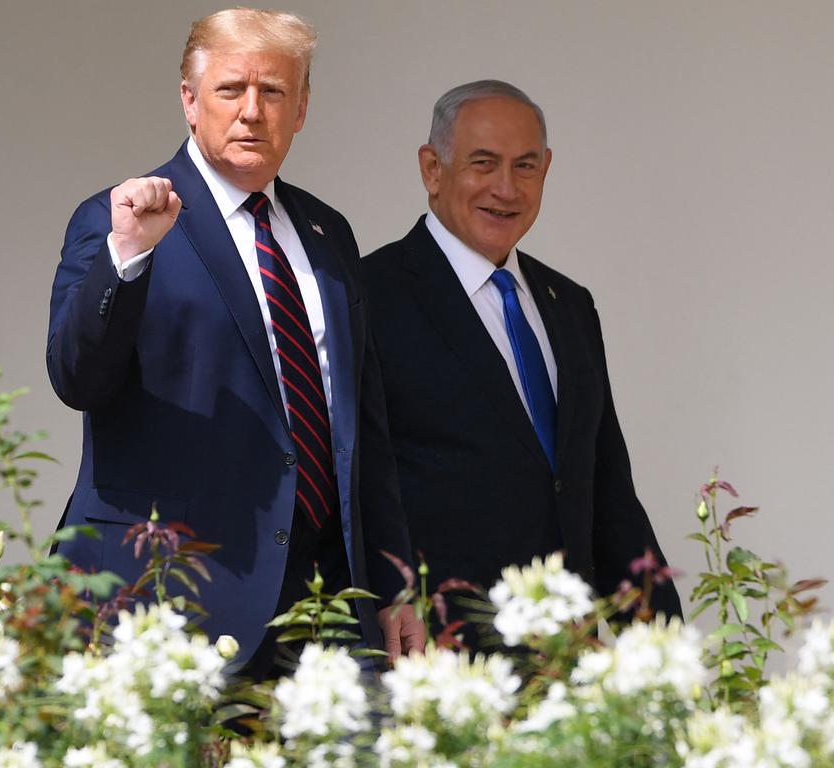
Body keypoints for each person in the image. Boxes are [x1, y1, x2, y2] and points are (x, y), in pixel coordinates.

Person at [46, 8, 423, 677]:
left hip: (327, 610)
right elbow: (78, 379)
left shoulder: (326, 234)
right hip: (171, 605)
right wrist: (127, 258)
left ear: (301, 108)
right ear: (190, 101)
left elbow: (365, 428)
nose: (252, 111)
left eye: (273, 91)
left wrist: (394, 584)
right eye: (231, 90)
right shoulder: (123, 219)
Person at [361, 80, 681, 639]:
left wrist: (662, 645)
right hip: (440, 655)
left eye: (525, 167)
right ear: (432, 168)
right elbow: (357, 486)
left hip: (565, 655)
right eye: (483, 164)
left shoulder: (571, 305)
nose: (506, 189)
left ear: (546, 170)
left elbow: (606, 492)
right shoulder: (367, 297)